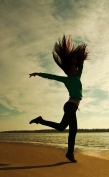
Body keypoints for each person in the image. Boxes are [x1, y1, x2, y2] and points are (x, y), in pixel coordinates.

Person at [29, 35, 89, 163]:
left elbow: (81, 64)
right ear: (69, 71)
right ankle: (70, 153)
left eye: (76, 67)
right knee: (73, 130)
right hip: (70, 106)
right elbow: (51, 76)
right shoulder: (66, 79)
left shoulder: (78, 76)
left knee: (62, 127)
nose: (76, 68)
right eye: (74, 68)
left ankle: (40, 120)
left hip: (72, 106)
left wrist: (81, 55)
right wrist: (38, 73)